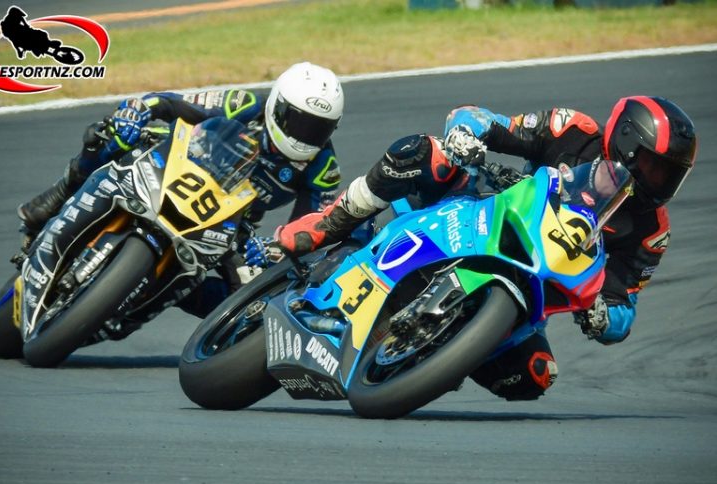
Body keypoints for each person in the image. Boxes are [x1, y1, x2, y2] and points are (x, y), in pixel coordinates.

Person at [250, 96, 697, 401]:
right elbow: (485, 120)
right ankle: (329, 226)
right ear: (624, 142)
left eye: (670, 174)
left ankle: (433, 353)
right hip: (483, 208)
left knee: (533, 375)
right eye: (655, 166)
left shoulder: (650, 230)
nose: (660, 181)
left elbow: (624, 302)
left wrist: (605, 317)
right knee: (422, 154)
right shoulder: (572, 131)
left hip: (533, 280)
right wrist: (467, 133)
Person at [18, 61, 345, 320]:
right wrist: (137, 111)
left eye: (319, 128)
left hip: (230, 225)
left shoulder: (324, 169)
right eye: (300, 123)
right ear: (278, 107)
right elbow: (169, 102)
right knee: (111, 137)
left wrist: (275, 247)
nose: (306, 137)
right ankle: (60, 195)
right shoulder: (242, 104)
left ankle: (166, 293)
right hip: (172, 166)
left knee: (254, 298)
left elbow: (312, 230)